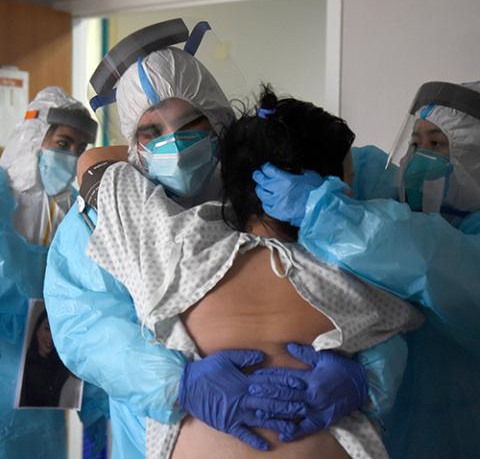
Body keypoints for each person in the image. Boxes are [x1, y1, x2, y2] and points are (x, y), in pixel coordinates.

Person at [44, 21, 376, 459]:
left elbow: (370, 297)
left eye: (191, 124)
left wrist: (368, 376)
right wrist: (174, 385)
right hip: (155, 426)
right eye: (151, 133)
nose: (174, 144)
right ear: (135, 146)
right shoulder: (108, 216)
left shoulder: (270, 189)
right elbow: (84, 327)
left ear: (218, 118)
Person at [83, 85, 423, 458]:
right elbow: (409, 311)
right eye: (347, 180)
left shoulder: (177, 248)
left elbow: (103, 173)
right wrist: (364, 382)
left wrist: (234, 148)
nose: (352, 197)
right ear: (322, 187)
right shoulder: (352, 273)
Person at [253, 80, 480, 458]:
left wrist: (324, 212)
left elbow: (433, 261)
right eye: (415, 143)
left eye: (437, 144)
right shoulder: (393, 201)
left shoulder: (455, 236)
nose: (418, 156)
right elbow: (352, 168)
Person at [0, 87, 108, 459]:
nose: (72, 156)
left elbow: (84, 308)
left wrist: (96, 405)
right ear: (34, 138)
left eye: (80, 149)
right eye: (63, 142)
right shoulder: (3, 201)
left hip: (42, 397)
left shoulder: (69, 217)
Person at [19, 310, 71, 407]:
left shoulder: (63, 367)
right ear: (37, 330)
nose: (51, 337)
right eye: (47, 329)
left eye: (56, 332)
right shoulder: (22, 363)